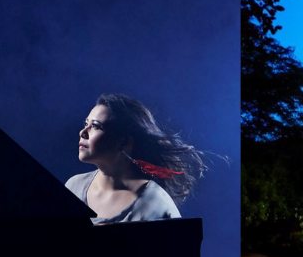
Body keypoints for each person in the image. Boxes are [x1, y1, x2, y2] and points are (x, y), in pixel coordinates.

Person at [65, 94, 213, 225]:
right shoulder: (74, 187)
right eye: (86, 124)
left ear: (124, 142)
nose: (83, 132)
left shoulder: (156, 203)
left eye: (96, 126)